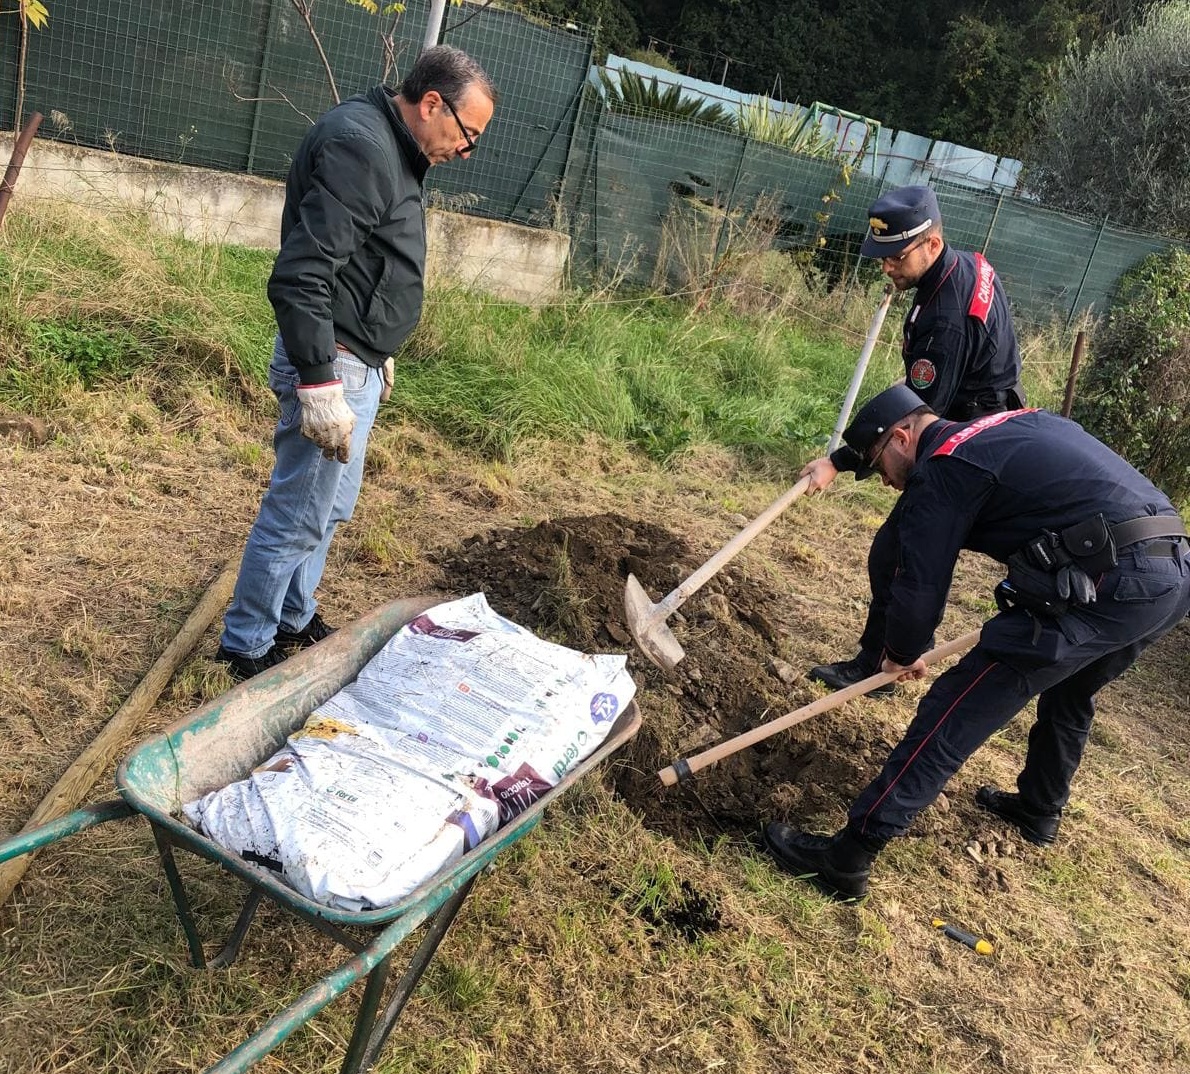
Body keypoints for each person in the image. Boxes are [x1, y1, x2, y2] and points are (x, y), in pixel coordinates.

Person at [763, 385, 1190, 901]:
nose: (888, 484)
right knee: (1073, 690)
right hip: (1171, 569)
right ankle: (1038, 808)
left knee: (955, 706)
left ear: (902, 439)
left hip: (1111, 580)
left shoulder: (942, 470)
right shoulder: (1002, 425)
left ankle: (849, 856)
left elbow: (920, 584)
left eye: (881, 469)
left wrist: (901, 653)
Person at [215, 46, 497, 681]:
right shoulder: (365, 149)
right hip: (332, 366)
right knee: (296, 515)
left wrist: (380, 348)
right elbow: (302, 276)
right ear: (432, 104)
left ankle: (291, 614)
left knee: (330, 508)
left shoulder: (392, 145)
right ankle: (247, 645)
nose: (467, 149)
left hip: (356, 358)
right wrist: (319, 382)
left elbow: (365, 261)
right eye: (468, 133)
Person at [806, 185, 1025, 694]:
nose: (886, 267)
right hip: (987, 428)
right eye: (881, 256)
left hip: (967, 448)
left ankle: (877, 669)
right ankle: (884, 660)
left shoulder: (944, 320)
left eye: (896, 256)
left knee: (898, 554)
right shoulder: (963, 267)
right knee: (902, 553)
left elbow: (916, 416)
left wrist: (841, 461)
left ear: (931, 242)